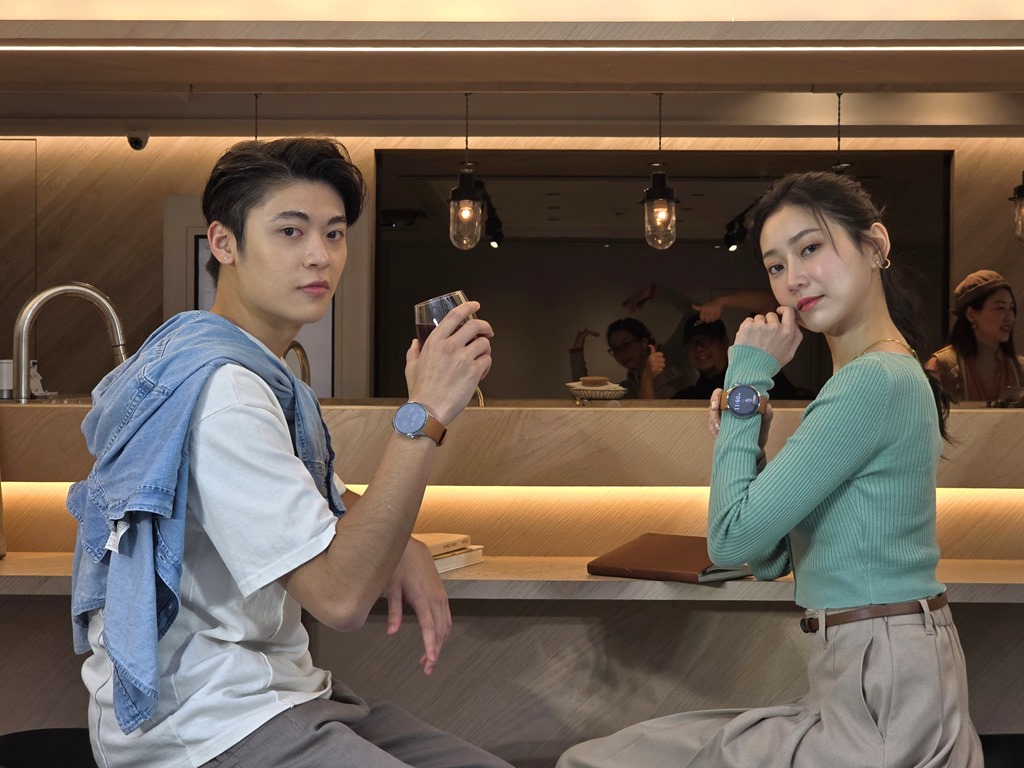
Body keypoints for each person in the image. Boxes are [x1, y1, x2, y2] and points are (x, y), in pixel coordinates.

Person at [66, 137, 511, 768]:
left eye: (334, 233)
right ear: (224, 243)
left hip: (284, 695)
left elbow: (308, 496)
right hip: (205, 724)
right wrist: (425, 415)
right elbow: (340, 598)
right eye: (290, 231)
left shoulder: (260, 377)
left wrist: (399, 539)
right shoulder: (225, 393)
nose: (319, 255)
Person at [558, 171, 983, 768]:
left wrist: (745, 381)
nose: (793, 279)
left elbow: (731, 542)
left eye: (810, 248)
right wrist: (750, 434)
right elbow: (770, 556)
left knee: (602, 760)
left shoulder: (872, 380)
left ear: (875, 245)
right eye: (776, 265)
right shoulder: (880, 374)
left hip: (881, 689)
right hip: (879, 675)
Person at [925, 269, 1023, 403]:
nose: (1010, 317)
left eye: (1011, 308)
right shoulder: (942, 366)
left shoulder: (1019, 369)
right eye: (1000, 308)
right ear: (971, 314)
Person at [671, 314, 811, 400]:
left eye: (706, 341)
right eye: (692, 343)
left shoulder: (759, 375)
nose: (699, 348)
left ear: (724, 341)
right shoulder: (688, 397)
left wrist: (721, 302)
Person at [569, 317, 688, 399]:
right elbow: (584, 396)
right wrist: (577, 350)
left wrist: (653, 292)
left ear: (643, 342)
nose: (621, 353)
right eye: (615, 349)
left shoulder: (671, 360)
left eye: (626, 345)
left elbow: (691, 312)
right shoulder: (625, 390)